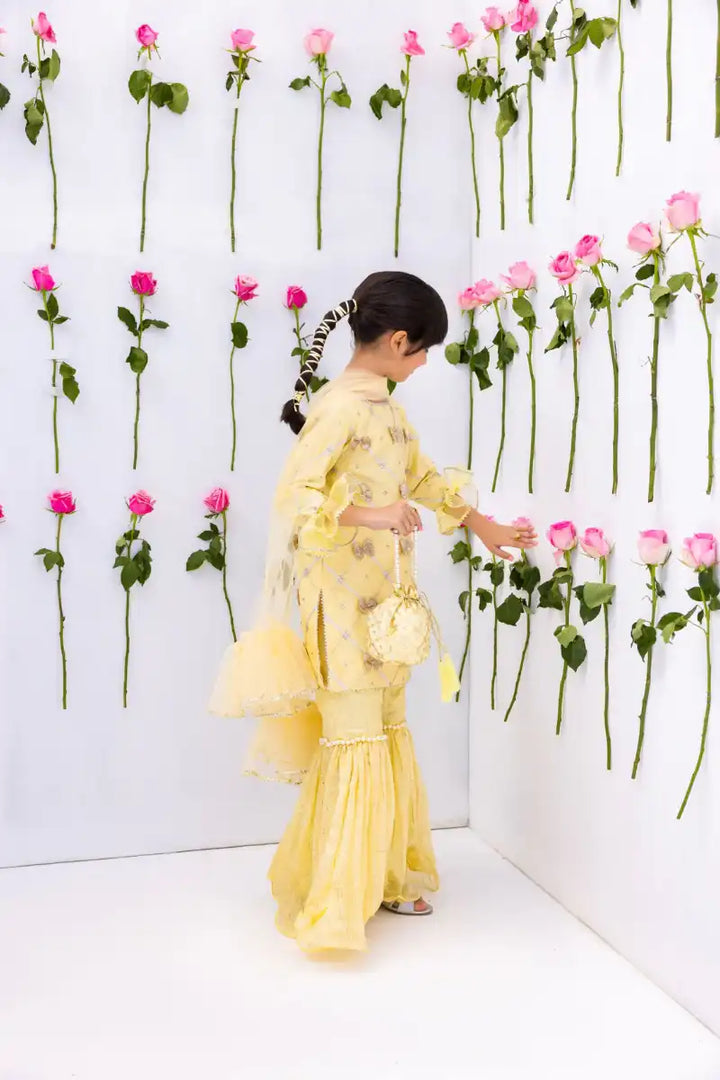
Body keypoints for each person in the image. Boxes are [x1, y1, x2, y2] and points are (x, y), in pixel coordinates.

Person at [210, 271, 537, 952]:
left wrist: (482, 525)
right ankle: (335, 900)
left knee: (385, 730)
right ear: (397, 340)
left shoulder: (386, 408)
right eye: (424, 351)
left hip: (387, 602)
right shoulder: (340, 409)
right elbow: (295, 498)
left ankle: (382, 876)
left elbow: (420, 476)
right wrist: (373, 514)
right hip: (337, 602)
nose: (424, 363)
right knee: (355, 739)